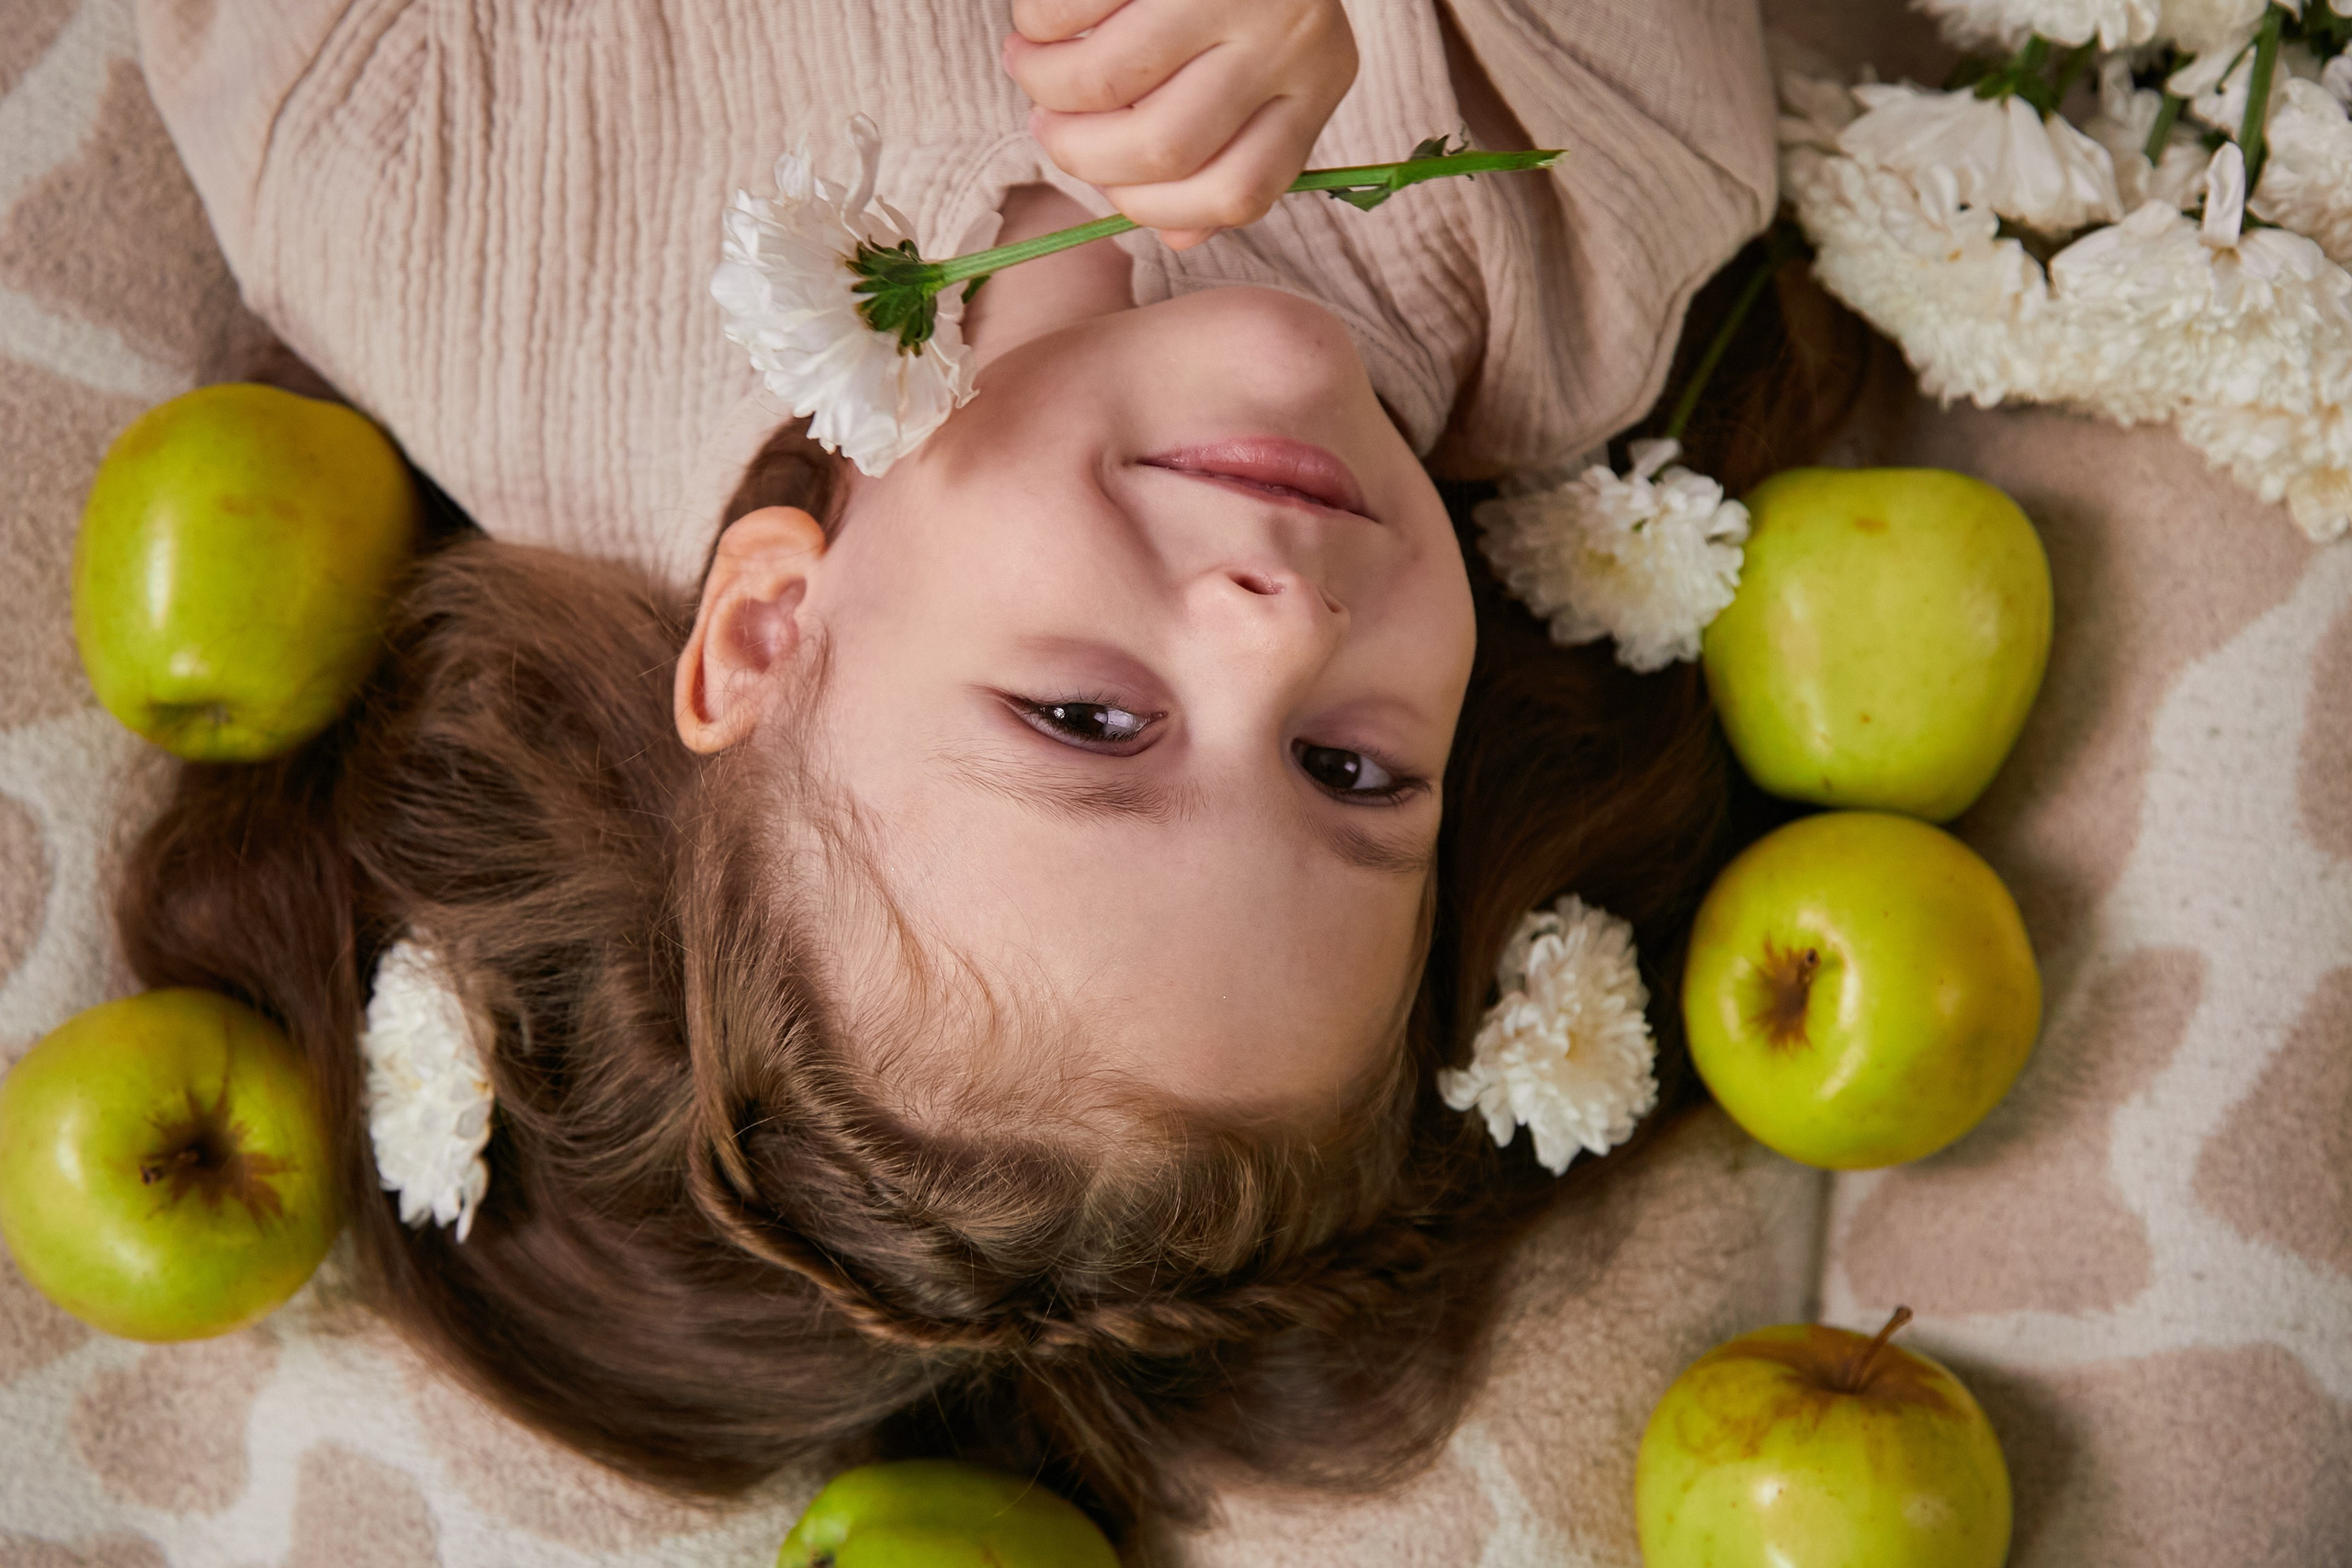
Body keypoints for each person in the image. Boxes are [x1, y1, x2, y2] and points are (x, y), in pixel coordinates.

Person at [122, 0, 1826, 1540]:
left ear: (769, 635)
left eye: (1089, 725)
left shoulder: (430, 214)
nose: (1281, 625)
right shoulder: (1574, 224)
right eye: (1348, 770)